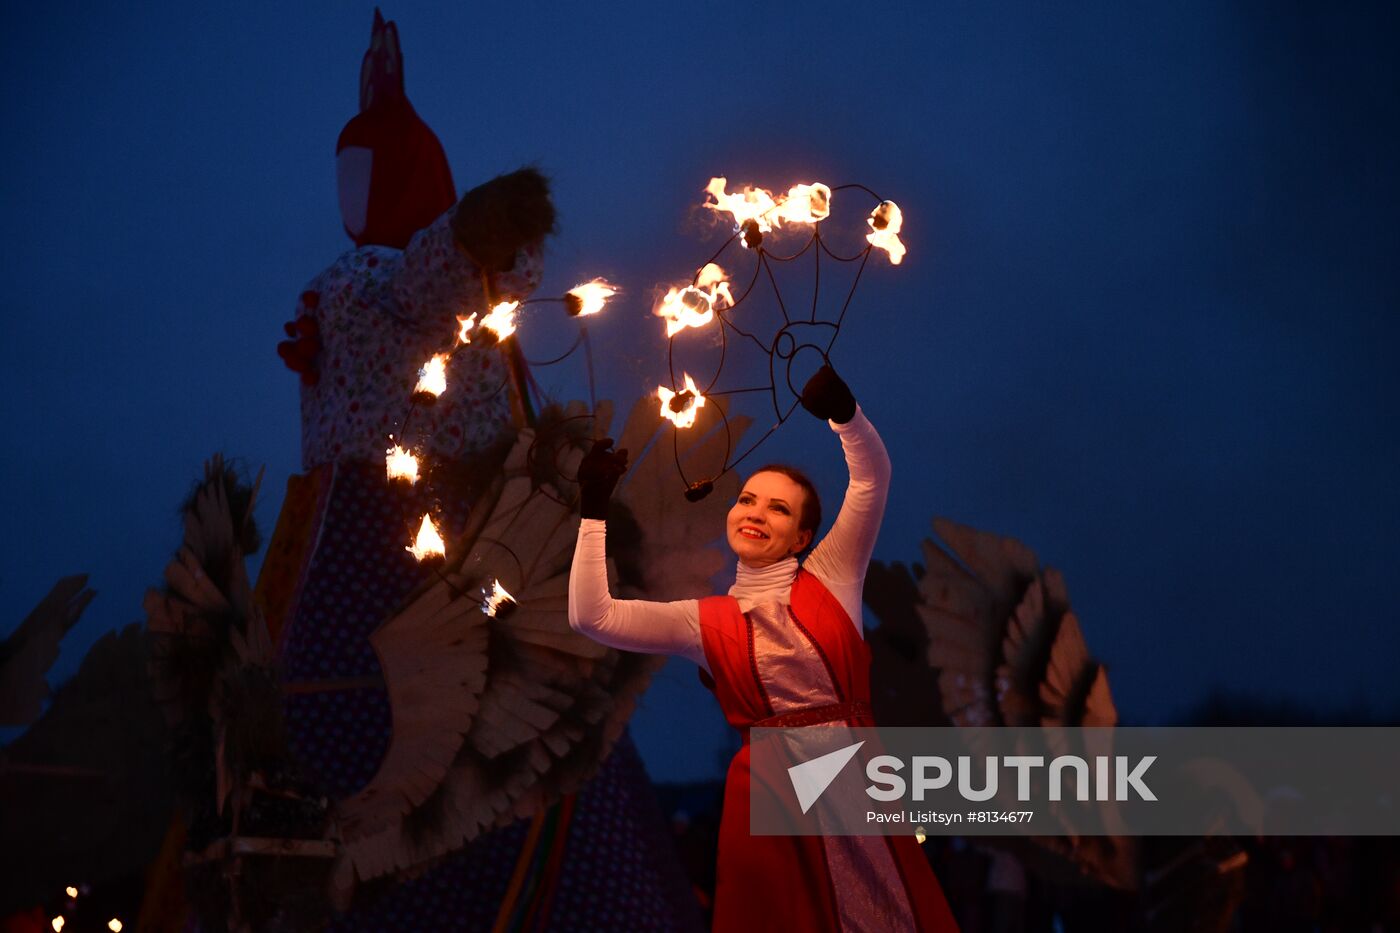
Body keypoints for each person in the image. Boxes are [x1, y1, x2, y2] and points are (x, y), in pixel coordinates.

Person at [569, 364, 960, 932]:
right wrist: (594, 510)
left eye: (778, 508)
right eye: (748, 499)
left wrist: (844, 415)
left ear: (803, 537)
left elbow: (872, 478)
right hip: (770, 799)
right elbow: (591, 615)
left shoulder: (830, 577)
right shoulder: (704, 622)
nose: (754, 512)